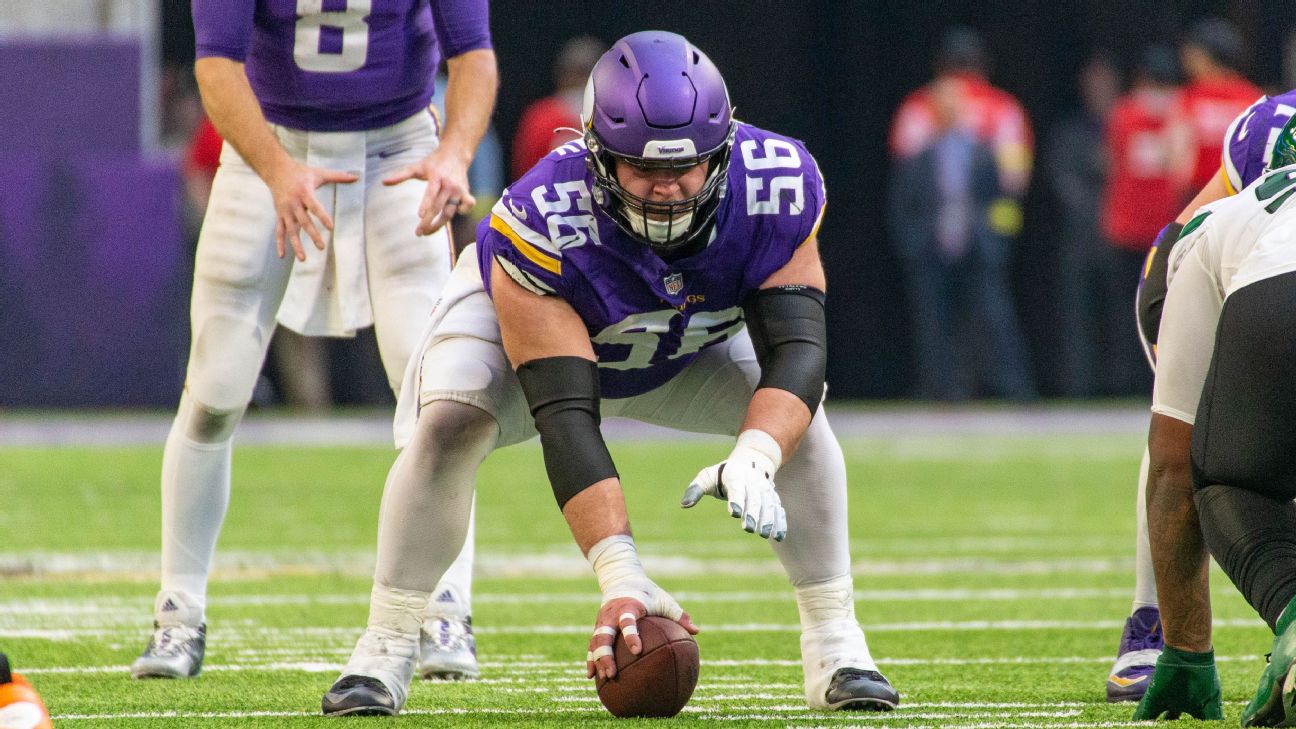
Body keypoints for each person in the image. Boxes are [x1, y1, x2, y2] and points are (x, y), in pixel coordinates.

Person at [320, 31, 899, 717]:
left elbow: (800, 349)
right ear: (597, 155)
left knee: (799, 420)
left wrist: (756, 453)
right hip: (538, 342)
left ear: (722, 150)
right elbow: (565, 414)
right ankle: (384, 647)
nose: (667, 188)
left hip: (685, 343)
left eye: (687, 166)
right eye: (641, 167)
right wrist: (619, 574)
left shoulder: (775, 183)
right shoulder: (543, 218)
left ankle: (837, 642)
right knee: (450, 421)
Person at [129, 0, 497, 682]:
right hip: (269, 143)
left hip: (398, 148)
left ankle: (445, 605)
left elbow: (473, 54)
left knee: (437, 397)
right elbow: (217, 64)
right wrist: (274, 170)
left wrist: (455, 152)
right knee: (214, 386)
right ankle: (178, 613)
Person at [1123, 91, 1296, 718]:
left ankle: (1287, 618)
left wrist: (1187, 652)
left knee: (1215, 476)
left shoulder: (1220, 220)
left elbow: (1172, 466)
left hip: (1266, 290)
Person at [888, 27, 1035, 400]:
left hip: (977, 235)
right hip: (951, 233)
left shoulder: (918, 106)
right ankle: (949, 389)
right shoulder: (1004, 108)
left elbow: (900, 169)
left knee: (978, 314)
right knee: (973, 315)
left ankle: (1006, 388)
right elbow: (1016, 180)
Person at [1044, 53, 1121, 398]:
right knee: (1077, 317)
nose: (1099, 90)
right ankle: (1080, 389)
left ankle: (1124, 385)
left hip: (1122, 237)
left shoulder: (1128, 124)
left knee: (1123, 316)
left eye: (1105, 83)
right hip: (1080, 235)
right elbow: (1060, 178)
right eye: (1093, 84)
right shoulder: (1070, 132)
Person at [1166, 18, 1261, 194]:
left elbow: (1177, 161)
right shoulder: (1252, 97)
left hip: (1199, 196)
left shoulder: (1190, 98)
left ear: (1204, 55)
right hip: (1242, 196)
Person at [510, 35, 605, 180]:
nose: (581, 82)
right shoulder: (541, 118)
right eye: (576, 74)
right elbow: (524, 171)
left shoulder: (616, 116)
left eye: (586, 74)